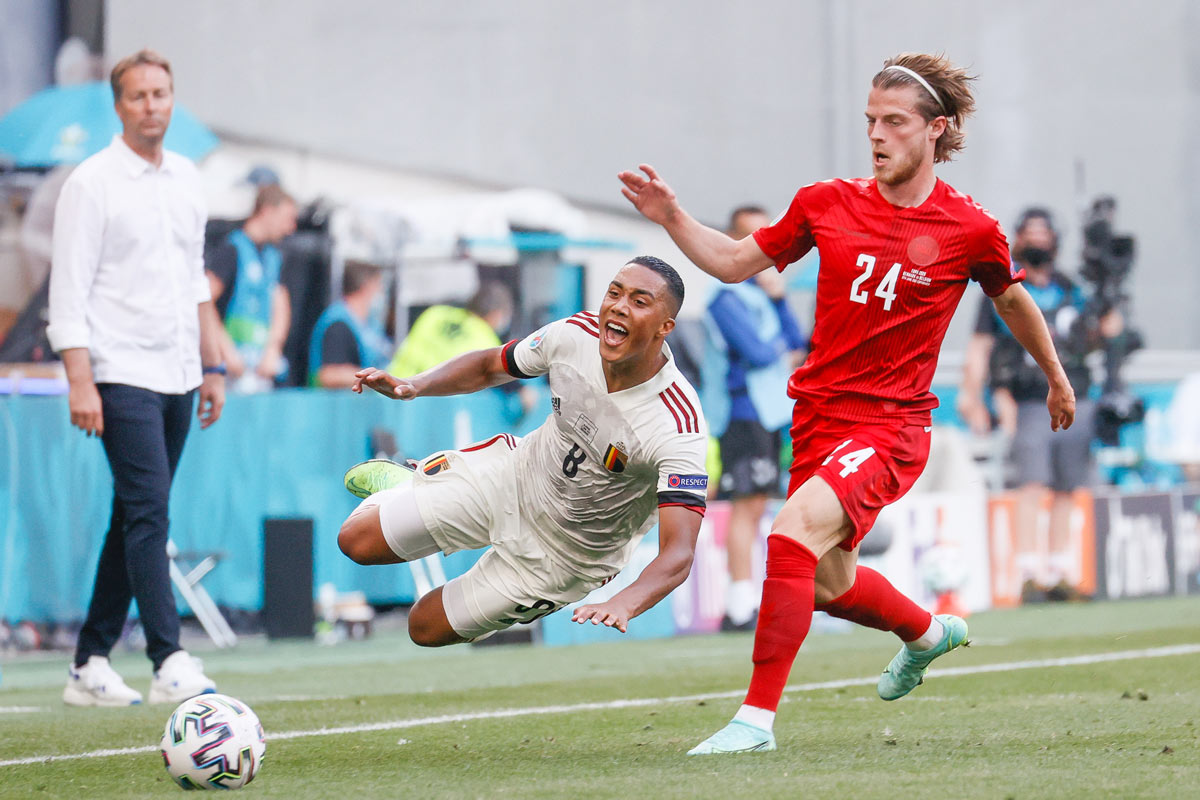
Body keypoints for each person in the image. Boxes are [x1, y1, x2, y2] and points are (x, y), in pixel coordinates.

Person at [619, 52, 1075, 755]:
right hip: (817, 421)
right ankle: (926, 632)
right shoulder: (825, 202)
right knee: (827, 581)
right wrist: (672, 215)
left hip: (891, 426)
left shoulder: (969, 228)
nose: (877, 135)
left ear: (936, 131)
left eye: (894, 121)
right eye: (870, 120)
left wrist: (1055, 375)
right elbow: (736, 263)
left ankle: (756, 722)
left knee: (789, 533)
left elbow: (1011, 299)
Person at [337, 256, 708, 646]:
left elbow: (678, 553)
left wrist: (624, 603)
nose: (618, 306)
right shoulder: (574, 334)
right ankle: (407, 485)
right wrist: (414, 385)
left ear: (665, 327)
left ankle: (424, 493)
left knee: (424, 628)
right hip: (511, 478)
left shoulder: (677, 424)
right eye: (614, 293)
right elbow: (488, 365)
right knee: (356, 541)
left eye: (639, 301)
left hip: (565, 558)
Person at [47, 49, 224, 707]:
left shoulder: (186, 179)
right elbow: (68, 291)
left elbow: (195, 283)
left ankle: (89, 663)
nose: (152, 105)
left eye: (161, 92)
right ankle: (167, 655)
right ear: (119, 106)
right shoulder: (90, 183)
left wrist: (212, 367)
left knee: (133, 512)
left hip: (179, 369)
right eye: (139, 95)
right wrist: (80, 380)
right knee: (150, 510)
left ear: (173, 99)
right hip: (120, 371)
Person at [958, 208, 1117, 601]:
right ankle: (1029, 569)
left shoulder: (1071, 289)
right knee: (1031, 482)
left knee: (1066, 485)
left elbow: (1100, 335)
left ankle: (1061, 568)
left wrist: (1110, 295)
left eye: (1044, 233)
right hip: (1028, 399)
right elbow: (981, 346)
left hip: (1075, 395)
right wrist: (973, 394)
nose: (1038, 240)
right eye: (1030, 233)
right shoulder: (1006, 285)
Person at [706, 205, 806, 631]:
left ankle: (751, 598)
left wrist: (781, 301)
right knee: (745, 508)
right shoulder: (725, 299)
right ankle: (739, 605)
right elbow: (762, 353)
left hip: (770, 414)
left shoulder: (764, 297)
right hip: (741, 414)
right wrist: (783, 347)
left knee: (761, 506)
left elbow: (799, 342)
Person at [205, 184, 298, 392]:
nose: (290, 228)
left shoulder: (273, 257)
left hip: (259, 371)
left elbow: (281, 305)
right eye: (287, 218)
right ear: (267, 211)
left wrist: (273, 349)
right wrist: (225, 351)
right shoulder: (231, 250)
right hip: (229, 372)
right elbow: (204, 300)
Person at [308, 259, 391, 388]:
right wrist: (374, 379)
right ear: (366, 287)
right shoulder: (338, 324)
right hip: (333, 405)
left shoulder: (369, 324)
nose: (381, 293)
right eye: (378, 286)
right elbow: (329, 374)